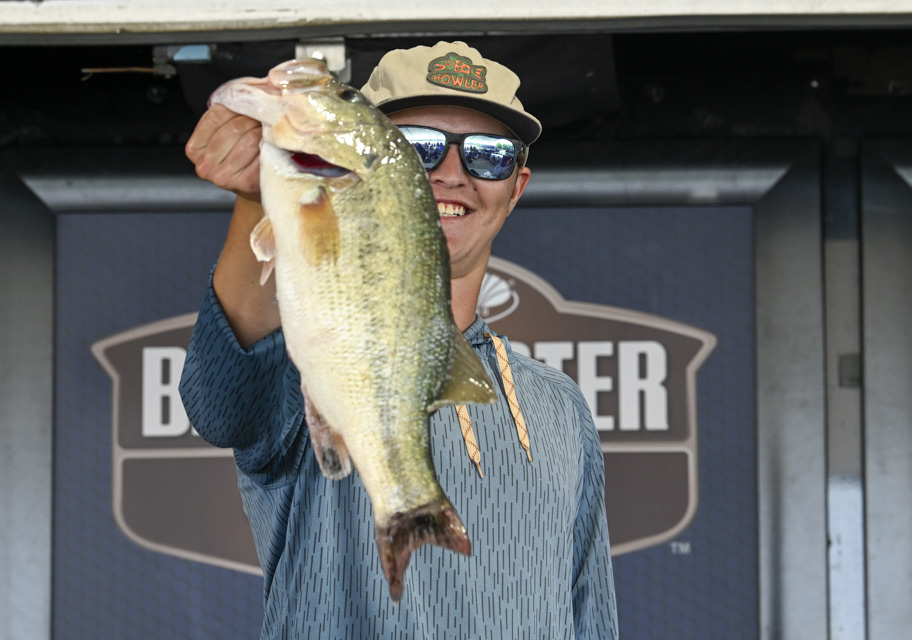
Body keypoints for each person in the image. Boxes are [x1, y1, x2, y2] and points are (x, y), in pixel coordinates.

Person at [179, 40, 619, 638]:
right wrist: (258, 194)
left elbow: (592, 616)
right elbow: (221, 404)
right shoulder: (313, 355)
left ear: (515, 188)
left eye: (489, 155)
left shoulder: (560, 406)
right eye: (419, 147)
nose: (452, 174)